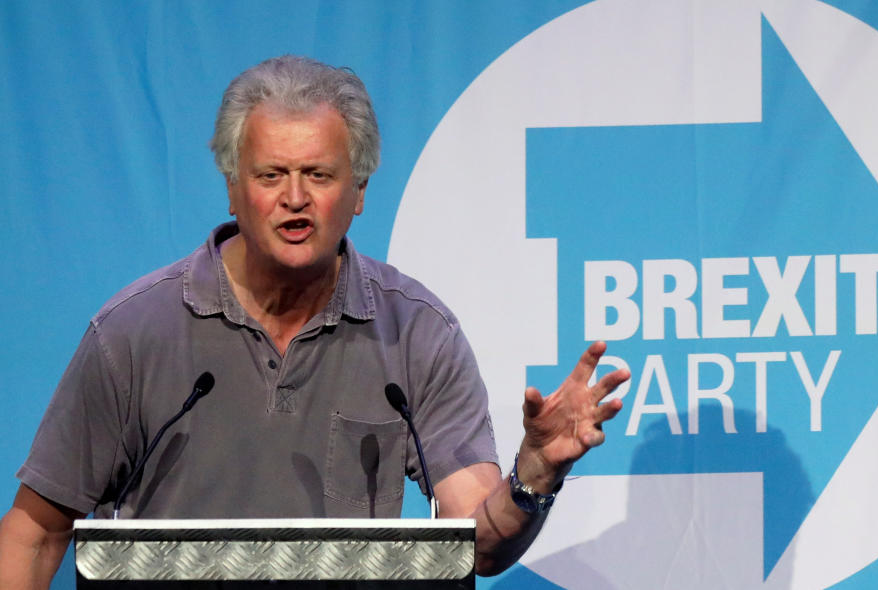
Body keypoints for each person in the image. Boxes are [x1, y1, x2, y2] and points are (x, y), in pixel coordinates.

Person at [0, 55, 628, 587]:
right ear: (232, 188)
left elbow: (477, 543)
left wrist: (538, 472)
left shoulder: (417, 332)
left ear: (357, 192)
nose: (294, 197)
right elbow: (35, 532)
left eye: (318, 175)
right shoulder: (134, 333)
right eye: (271, 174)